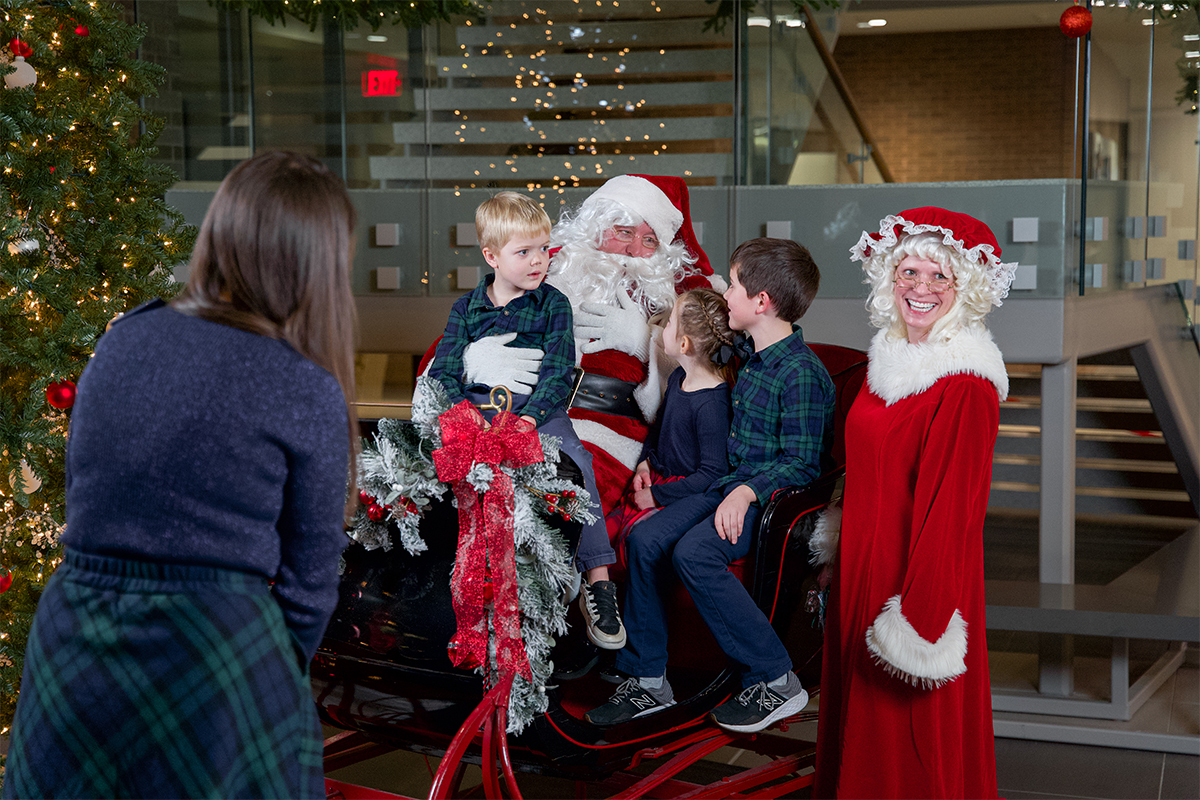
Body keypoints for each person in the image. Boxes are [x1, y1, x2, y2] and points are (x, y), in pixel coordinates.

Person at [3, 152, 358, 799]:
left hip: (74, 637)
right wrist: (256, 672)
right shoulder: (303, 383)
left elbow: (85, 494)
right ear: (320, 263)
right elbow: (309, 589)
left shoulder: (124, 337)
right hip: (214, 647)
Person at [586, 238, 835, 733]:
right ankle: (649, 680)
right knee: (644, 538)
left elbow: (804, 465)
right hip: (724, 487)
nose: (727, 297)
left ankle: (776, 679)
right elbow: (702, 332)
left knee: (694, 553)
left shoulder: (801, 373)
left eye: (736, 286)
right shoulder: (749, 352)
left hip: (760, 503)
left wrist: (746, 492)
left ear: (761, 302)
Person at [811, 207, 1017, 799]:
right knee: (859, 728)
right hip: (861, 569)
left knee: (906, 736)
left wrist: (921, 623)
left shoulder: (965, 384)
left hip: (914, 583)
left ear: (965, 289)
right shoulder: (889, 358)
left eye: (938, 278)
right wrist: (835, 554)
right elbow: (859, 473)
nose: (919, 289)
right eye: (908, 272)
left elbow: (953, 517)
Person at [460, 175, 723, 522]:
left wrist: (646, 343)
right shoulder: (543, 269)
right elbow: (457, 334)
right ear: (594, 226)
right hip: (519, 413)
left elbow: (706, 382)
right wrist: (474, 358)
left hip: (608, 433)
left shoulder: (679, 301)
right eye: (624, 232)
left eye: (649, 241)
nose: (633, 251)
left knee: (548, 504)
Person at [427, 191, 625, 650]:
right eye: (524, 252)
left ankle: (597, 579)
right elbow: (443, 371)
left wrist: (530, 419)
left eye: (544, 249)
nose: (539, 261)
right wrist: (463, 414)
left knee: (579, 463)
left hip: (538, 414)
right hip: (478, 412)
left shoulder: (553, 304)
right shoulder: (467, 309)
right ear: (491, 256)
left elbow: (558, 374)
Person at [605, 287, 736, 541]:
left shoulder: (711, 405)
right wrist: (645, 463)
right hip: (657, 477)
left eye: (669, 323)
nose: (663, 328)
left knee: (632, 539)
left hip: (681, 493)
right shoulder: (678, 377)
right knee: (605, 529)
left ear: (684, 344)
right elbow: (658, 428)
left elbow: (713, 473)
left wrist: (656, 497)